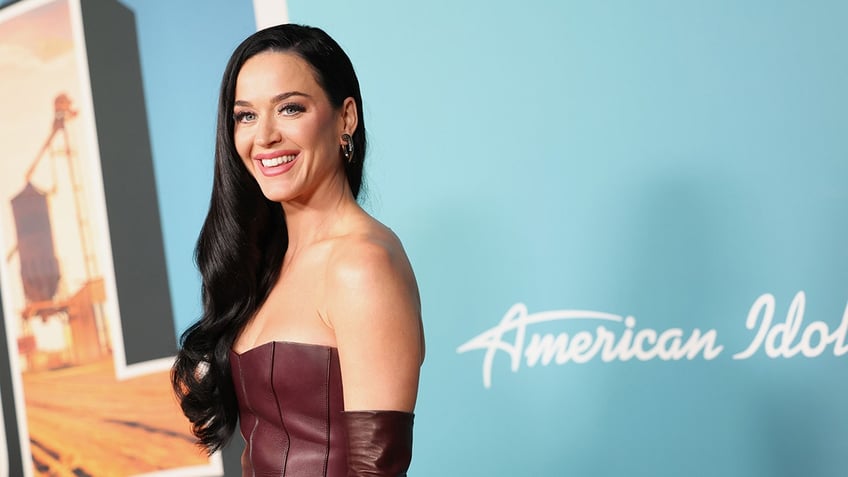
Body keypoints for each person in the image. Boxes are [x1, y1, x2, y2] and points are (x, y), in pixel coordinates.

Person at [171, 24, 425, 477]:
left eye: (290, 108)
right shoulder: (267, 262)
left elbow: (377, 469)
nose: (264, 136)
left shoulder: (361, 263)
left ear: (346, 117)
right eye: (245, 115)